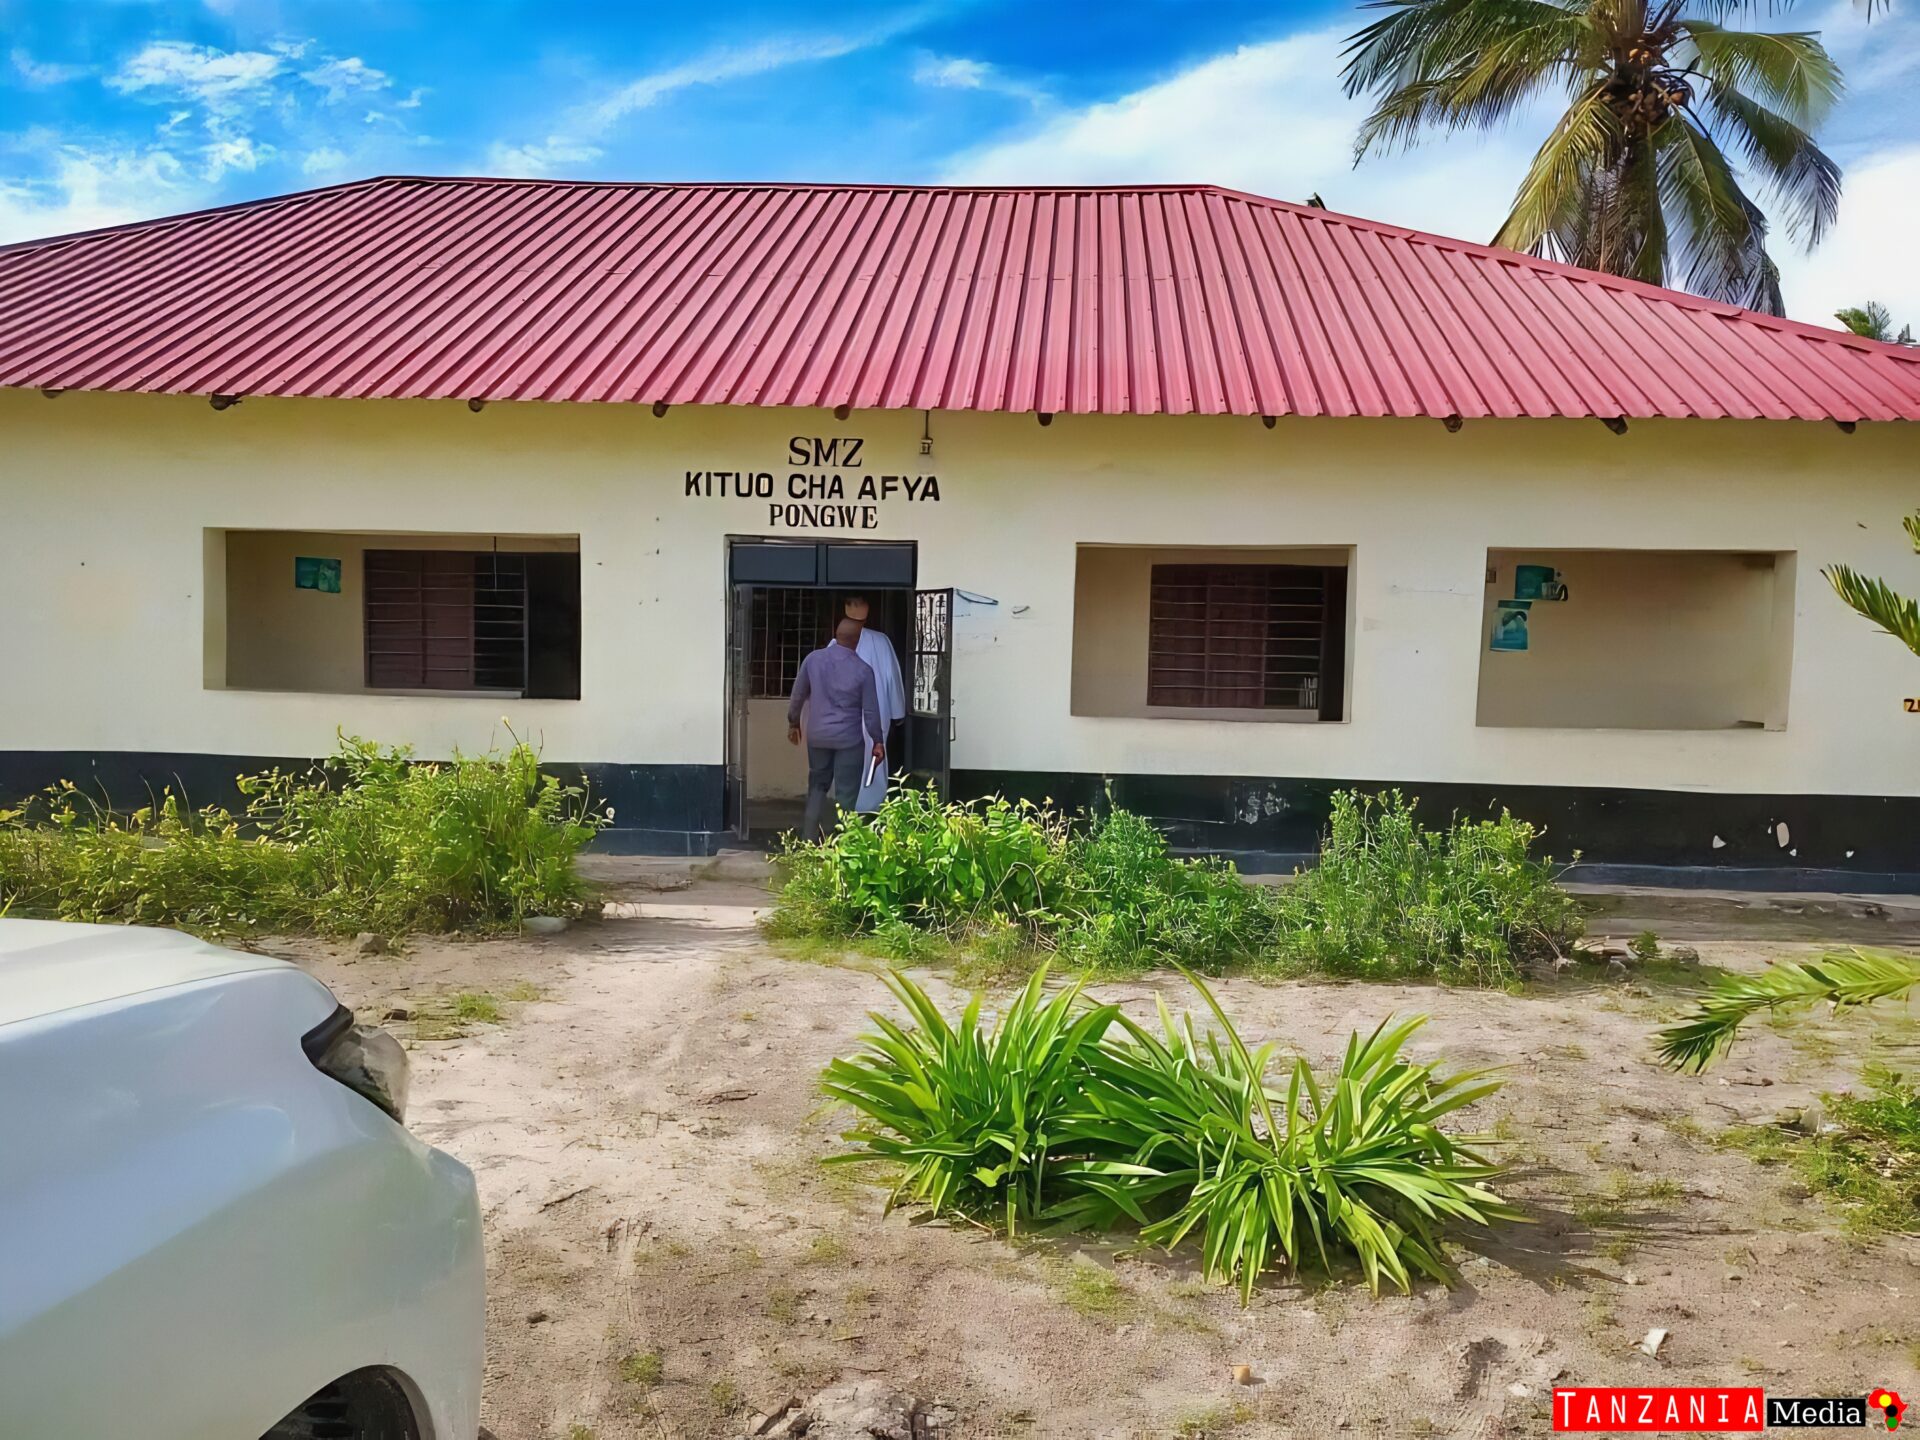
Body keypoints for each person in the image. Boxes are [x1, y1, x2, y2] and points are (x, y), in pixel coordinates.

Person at [788, 617, 885, 841]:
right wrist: (877, 741)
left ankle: (808, 839)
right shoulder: (863, 670)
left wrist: (793, 722)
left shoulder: (813, 660)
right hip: (849, 742)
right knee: (846, 795)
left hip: (817, 737)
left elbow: (798, 695)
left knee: (817, 787)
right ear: (858, 640)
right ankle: (844, 845)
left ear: (835, 634)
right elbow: (870, 712)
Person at [842, 595, 906, 811]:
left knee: (849, 761)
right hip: (878, 712)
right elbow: (892, 678)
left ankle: (849, 807)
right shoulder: (881, 641)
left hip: (846, 715)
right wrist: (898, 712)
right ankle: (871, 807)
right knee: (874, 759)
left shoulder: (836, 642)